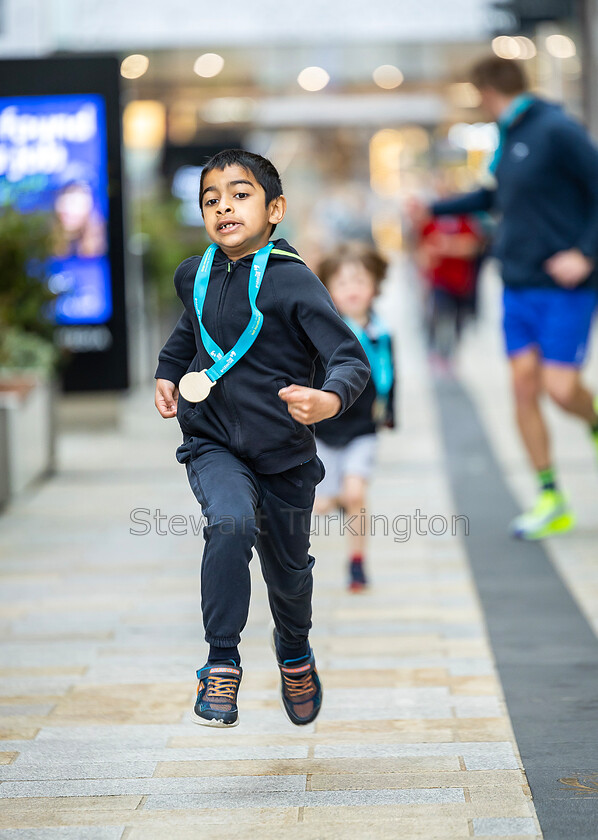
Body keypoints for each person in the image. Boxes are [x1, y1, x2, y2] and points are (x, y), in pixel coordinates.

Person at [154, 149, 370, 727]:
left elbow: (348, 357)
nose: (224, 206)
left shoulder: (293, 281)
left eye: (240, 194)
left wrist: (326, 399)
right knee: (229, 524)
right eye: (211, 199)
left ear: (275, 209)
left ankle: (294, 651)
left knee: (290, 573)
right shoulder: (192, 275)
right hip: (213, 442)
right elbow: (186, 336)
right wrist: (166, 375)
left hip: (286, 456)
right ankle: (221, 661)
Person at [411, 56, 598, 540]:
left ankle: (594, 423)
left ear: (489, 91)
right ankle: (550, 495)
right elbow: (491, 197)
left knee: (560, 389)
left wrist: (585, 253)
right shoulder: (508, 137)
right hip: (517, 284)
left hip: (565, 287)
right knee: (521, 387)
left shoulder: (557, 129)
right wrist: (432, 206)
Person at [313, 242, 396, 591]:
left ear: (375, 286)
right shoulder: (323, 331)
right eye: (342, 283)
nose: (352, 290)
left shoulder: (381, 332)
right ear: (328, 289)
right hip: (323, 432)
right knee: (319, 503)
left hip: (363, 430)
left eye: (360, 281)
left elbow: (391, 375)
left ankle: (358, 564)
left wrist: (391, 413)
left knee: (356, 493)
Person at [409, 179, 485, 373]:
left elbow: (474, 245)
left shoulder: (464, 219)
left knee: (460, 319)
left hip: (462, 281)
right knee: (438, 314)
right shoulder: (430, 220)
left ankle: (452, 353)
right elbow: (420, 249)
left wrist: (447, 246)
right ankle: (437, 352)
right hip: (438, 280)